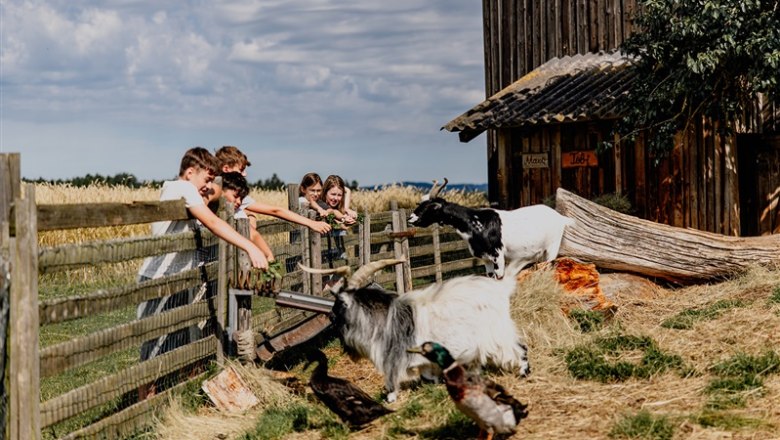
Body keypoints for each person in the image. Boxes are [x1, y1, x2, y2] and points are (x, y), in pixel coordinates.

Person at [136, 147, 268, 395]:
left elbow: (215, 198)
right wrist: (250, 247)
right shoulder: (182, 188)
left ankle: (171, 394)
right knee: (153, 345)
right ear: (189, 172)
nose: (209, 186)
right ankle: (145, 401)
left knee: (174, 340)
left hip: (176, 278)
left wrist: (210, 188)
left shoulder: (189, 191)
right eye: (207, 179)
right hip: (158, 278)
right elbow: (213, 222)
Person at [215, 147, 331, 235]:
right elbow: (275, 211)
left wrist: (250, 214)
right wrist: (311, 223)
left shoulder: (233, 194)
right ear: (226, 168)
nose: (245, 174)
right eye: (241, 169)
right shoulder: (215, 191)